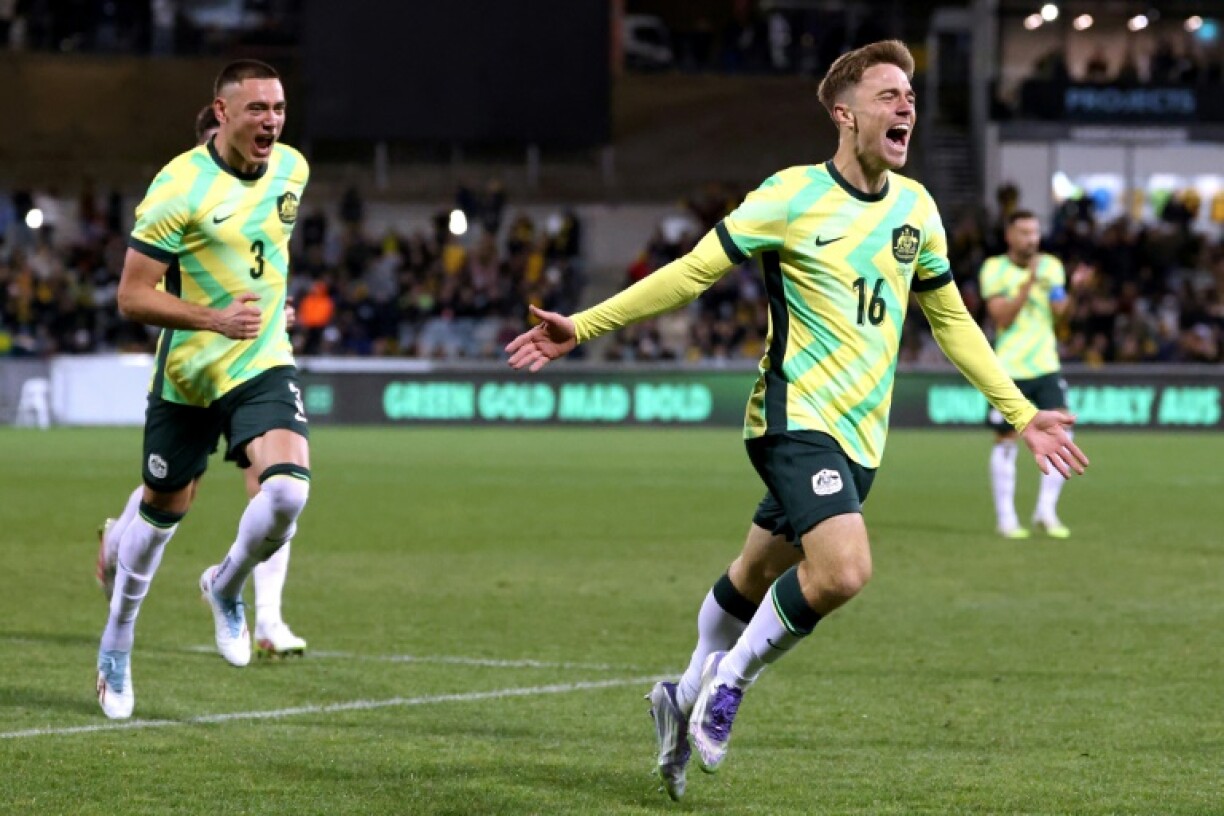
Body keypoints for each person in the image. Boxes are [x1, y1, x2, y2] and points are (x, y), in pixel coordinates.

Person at [505, 40, 1089, 800]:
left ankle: (681, 695)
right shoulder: (790, 195)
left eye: (910, 95)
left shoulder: (917, 209)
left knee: (756, 572)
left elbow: (951, 321)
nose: (907, 105)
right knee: (844, 571)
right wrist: (583, 325)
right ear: (845, 114)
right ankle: (729, 681)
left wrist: (1021, 412)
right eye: (889, 95)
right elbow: (692, 273)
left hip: (861, 436)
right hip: (793, 415)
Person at [95, 59, 312, 720]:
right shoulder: (178, 186)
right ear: (222, 112)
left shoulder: (293, 169)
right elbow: (132, 296)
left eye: (278, 108)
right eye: (257, 109)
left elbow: (263, 251)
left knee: (287, 492)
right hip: (189, 376)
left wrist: (274, 305)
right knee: (162, 512)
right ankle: (116, 642)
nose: (271, 121)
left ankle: (225, 585)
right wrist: (215, 318)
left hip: (261, 361)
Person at [980, 210, 1091, 539]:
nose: (1032, 239)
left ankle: (1046, 510)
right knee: (1006, 439)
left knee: (1063, 430)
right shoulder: (994, 269)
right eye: (1025, 232)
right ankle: (1006, 519)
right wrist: (1028, 282)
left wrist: (1075, 291)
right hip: (1008, 369)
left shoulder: (1052, 267)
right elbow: (1002, 317)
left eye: (1035, 232)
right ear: (1009, 236)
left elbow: (1061, 315)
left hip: (1045, 365)